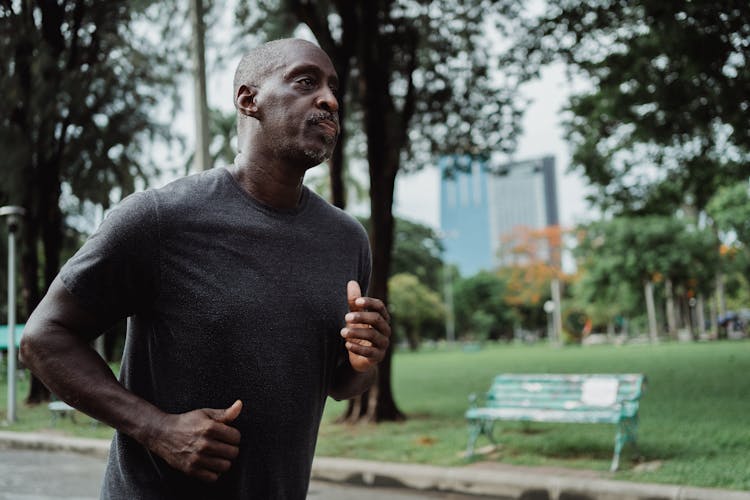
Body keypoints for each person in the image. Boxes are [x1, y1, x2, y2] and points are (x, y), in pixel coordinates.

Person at [20, 38, 391, 499]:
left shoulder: (345, 238)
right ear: (248, 99)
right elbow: (43, 337)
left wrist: (363, 360)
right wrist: (157, 429)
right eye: (305, 81)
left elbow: (340, 383)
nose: (330, 99)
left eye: (334, 88)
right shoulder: (161, 218)